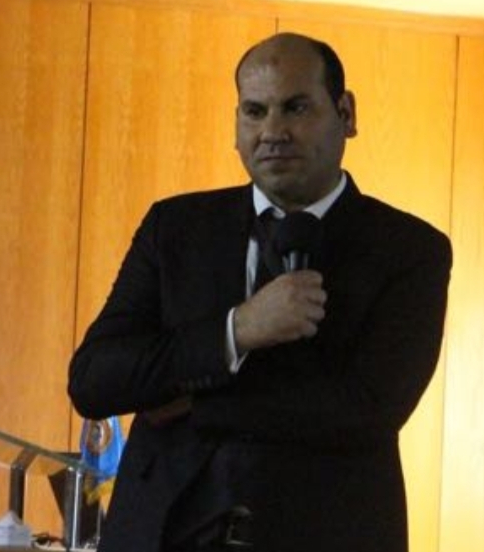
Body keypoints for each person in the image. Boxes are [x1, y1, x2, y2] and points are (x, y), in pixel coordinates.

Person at [68, 32, 452, 552]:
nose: (273, 131)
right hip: (165, 531)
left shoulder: (409, 249)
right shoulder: (175, 228)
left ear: (345, 113)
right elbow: (94, 381)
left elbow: (367, 410)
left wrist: (199, 405)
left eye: (296, 108)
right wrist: (238, 330)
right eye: (254, 111)